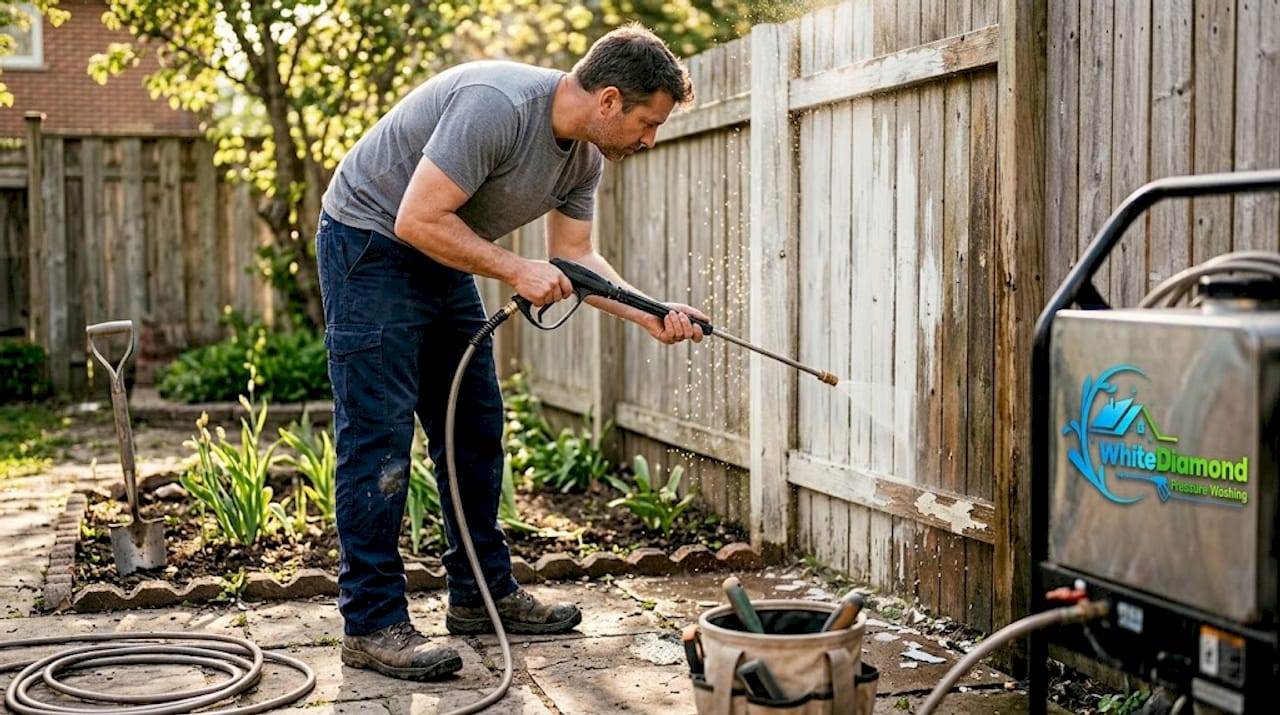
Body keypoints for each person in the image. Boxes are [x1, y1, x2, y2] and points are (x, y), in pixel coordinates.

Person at [315, 23, 705, 682]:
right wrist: (514, 268)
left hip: (438, 251)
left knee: (473, 427)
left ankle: (479, 595)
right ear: (608, 100)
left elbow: (574, 258)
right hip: (369, 243)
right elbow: (415, 219)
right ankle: (372, 623)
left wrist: (652, 313)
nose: (649, 137)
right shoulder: (497, 104)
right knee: (378, 441)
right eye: (647, 121)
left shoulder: (583, 157)